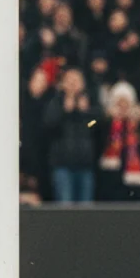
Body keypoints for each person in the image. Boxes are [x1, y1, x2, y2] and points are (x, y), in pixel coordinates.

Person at [43, 68, 97, 203]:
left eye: (76, 80)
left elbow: (96, 125)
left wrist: (86, 113)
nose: (73, 84)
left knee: (86, 208)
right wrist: (64, 111)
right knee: (65, 206)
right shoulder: (55, 101)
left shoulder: (90, 101)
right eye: (70, 80)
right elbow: (49, 125)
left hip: (85, 165)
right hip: (62, 165)